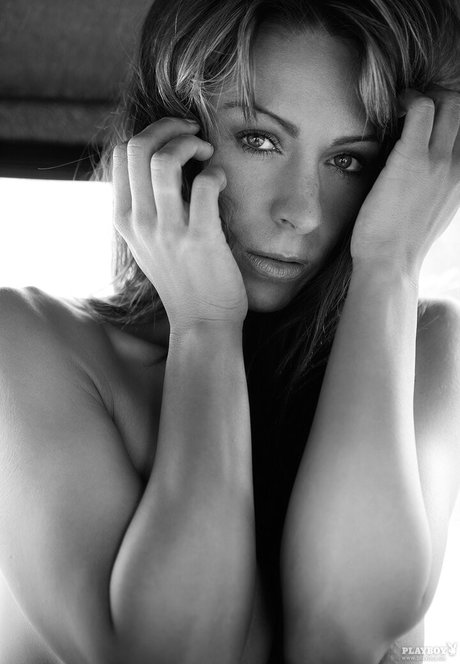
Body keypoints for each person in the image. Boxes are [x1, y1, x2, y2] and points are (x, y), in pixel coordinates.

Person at [0, 0, 459, 662]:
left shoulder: (426, 345)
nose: (302, 211)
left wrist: (389, 265)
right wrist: (205, 327)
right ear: (166, 144)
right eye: (259, 141)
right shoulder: (30, 342)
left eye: (349, 161)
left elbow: (343, 635)